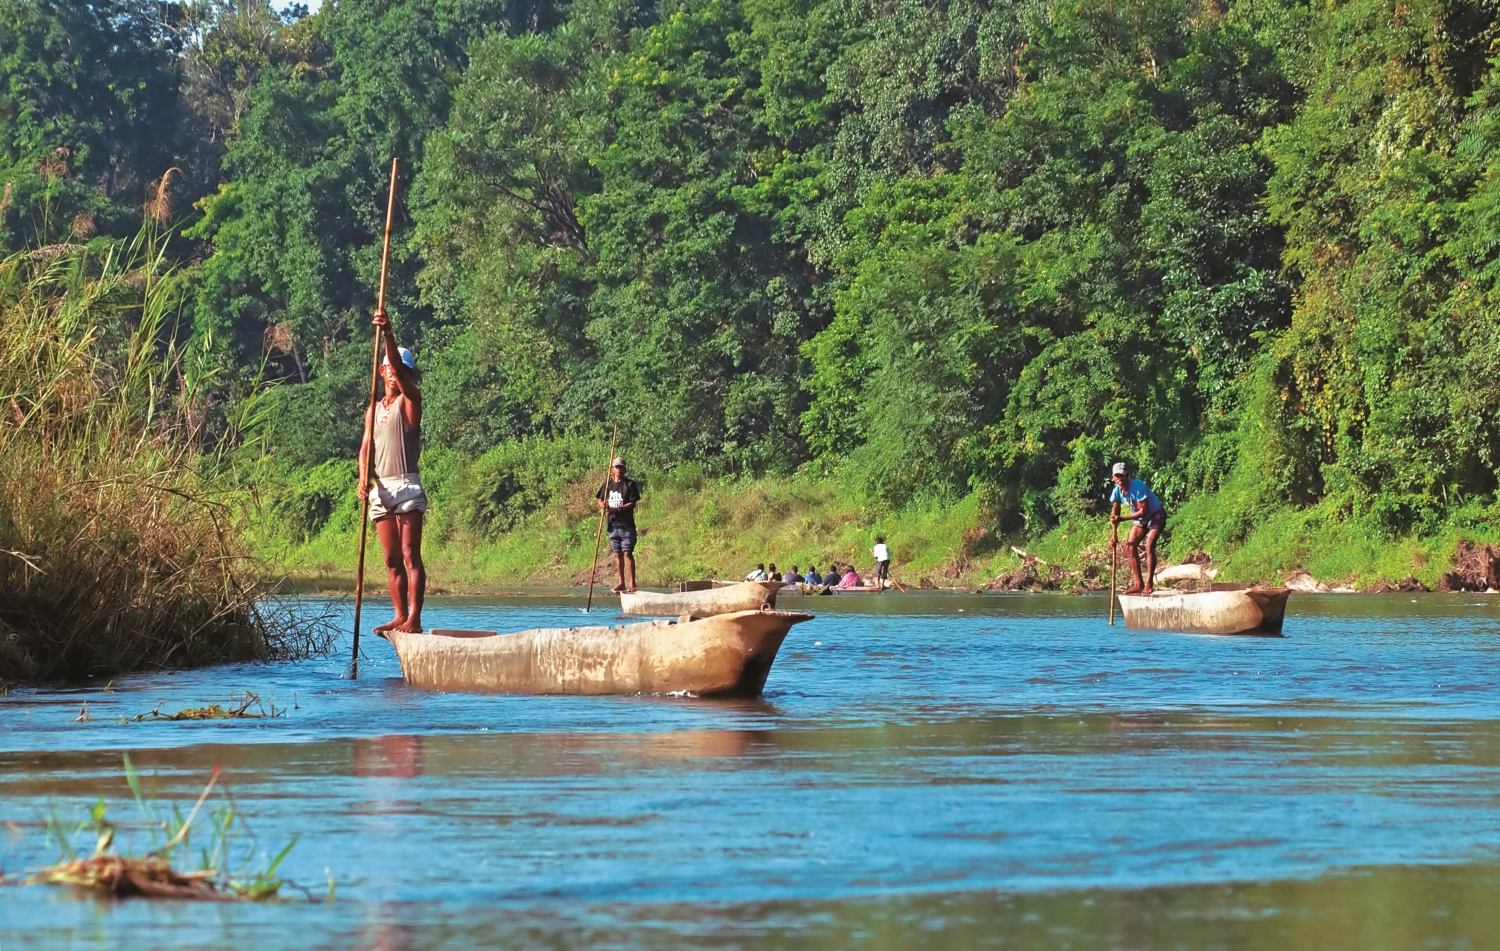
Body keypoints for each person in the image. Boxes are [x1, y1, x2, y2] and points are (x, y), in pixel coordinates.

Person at [357, 309, 426, 634]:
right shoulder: (374, 409)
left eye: (404, 372)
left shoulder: (410, 401)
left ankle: (414, 618)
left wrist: (387, 332)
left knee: (411, 554)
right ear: (382, 371)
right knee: (391, 560)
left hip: (406, 486)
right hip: (381, 488)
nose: (397, 375)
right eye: (392, 370)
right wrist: (363, 479)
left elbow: (400, 369)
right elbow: (365, 448)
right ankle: (399, 614)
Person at [1108, 461, 1167, 595]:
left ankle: (1149, 583)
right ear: (1113, 478)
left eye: (1122, 476)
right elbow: (1115, 511)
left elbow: (1143, 511)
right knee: (1130, 546)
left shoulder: (1138, 487)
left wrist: (1122, 518)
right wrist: (1114, 535)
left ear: (1127, 476)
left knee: (1149, 545)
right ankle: (1139, 584)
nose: (1120, 479)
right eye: (1117, 476)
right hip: (1141, 519)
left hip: (1155, 515)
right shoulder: (1117, 491)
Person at [596, 457, 641, 593]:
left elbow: (632, 503)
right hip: (613, 525)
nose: (619, 469)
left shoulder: (630, 484)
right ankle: (621, 583)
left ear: (625, 469)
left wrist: (618, 509)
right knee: (617, 554)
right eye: (616, 467)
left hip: (626, 525)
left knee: (627, 553)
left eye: (621, 467)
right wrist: (603, 505)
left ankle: (632, 584)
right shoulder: (608, 484)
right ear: (612, 469)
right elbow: (599, 500)